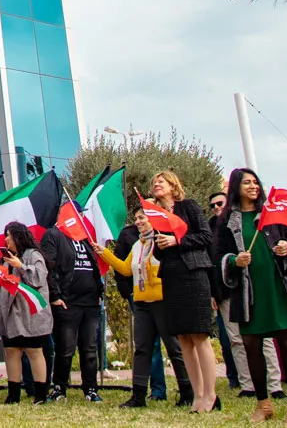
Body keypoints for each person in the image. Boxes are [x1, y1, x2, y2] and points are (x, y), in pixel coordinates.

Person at [215, 168, 287, 424]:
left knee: (286, 341)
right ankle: (263, 404)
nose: (253, 186)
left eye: (255, 182)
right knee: (251, 344)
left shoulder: (274, 214)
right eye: (247, 182)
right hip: (248, 291)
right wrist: (234, 261)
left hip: (277, 287)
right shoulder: (227, 220)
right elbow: (219, 256)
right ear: (236, 187)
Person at [98, 206, 194, 408]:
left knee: (174, 348)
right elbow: (125, 269)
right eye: (136, 219)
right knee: (142, 349)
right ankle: (138, 395)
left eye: (142, 218)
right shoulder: (136, 246)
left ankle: (187, 392)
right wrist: (104, 253)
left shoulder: (161, 241)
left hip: (162, 301)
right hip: (141, 302)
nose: (138, 222)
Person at [147, 170, 219, 414]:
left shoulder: (188, 207)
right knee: (183, 339)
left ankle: (211, 394)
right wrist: (156, 242)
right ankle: (197, 395)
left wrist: (177, 241)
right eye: (154, 182)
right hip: (171, 276)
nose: (157, 184)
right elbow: (158, 253)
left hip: (194, 274)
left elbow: (205, 236)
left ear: (172, 186)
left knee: (199, 336)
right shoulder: (156, 217)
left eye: (162, 181)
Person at [210, 192, 285, 399]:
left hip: (251, 286)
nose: (216, 207)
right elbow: (214, 263)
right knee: (236, 339)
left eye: (220, 203)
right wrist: (213, 293)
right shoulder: (214, 229)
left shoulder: (252, 221)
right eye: (213, 205)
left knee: (265, 337)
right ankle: (247, 384)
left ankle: (274, 385)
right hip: (226, 291)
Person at [41, 211, 104, 403]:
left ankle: (91, 389)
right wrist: (55, 295)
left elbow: (95, 266)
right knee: (65, 348)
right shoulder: (54, 235)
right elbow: (49, 266)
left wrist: (100, 292)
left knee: (90, 348)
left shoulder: (85, 236)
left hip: (90, 302)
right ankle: (59, 388)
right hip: (68, 301)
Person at [0, 221, 53, 405]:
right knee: (12, 351)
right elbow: (4, 282)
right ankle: (13, 395)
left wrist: (20, 265)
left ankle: (41, 395)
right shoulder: (6, 259)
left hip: (30, 314)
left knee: (34, 351)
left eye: (9, 236)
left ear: (18, 237)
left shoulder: (33, 255)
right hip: (11, 314)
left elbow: (39, 278)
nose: (6, 240)